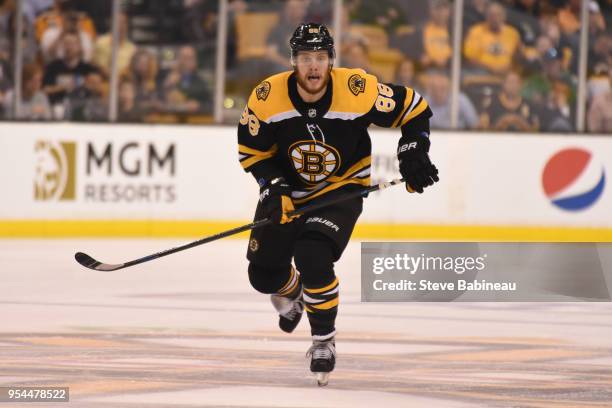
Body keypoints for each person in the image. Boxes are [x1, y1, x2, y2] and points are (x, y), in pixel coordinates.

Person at [236, 23, 438, 386]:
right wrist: (274, 186)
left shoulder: (357, 89)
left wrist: (413, 149)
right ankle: (293, 291)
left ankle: (323, 339)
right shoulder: (267, 97)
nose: (313, 67)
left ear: (331, 60)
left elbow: (415, 109)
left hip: (340, 189)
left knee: (313, 253)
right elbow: (252, 152)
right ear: (293, 61)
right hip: (288, 193)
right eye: (305, 58)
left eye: (320, 58)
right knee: (262, 275)